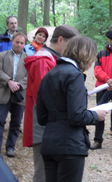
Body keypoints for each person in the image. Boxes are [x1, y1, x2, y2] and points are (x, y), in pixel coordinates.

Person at [37, 35, 108, 182]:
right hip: (70, 145)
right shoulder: (74, 75)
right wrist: (96, 115)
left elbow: (42, 117)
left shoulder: (49, 75)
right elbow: (77, 116)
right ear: (85, 54)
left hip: (49, 142)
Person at [22, 25, 79, 182]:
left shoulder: (52, 59)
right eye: (71, 45)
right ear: (60, 40)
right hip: (43, 127)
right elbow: (44, 98)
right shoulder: (43, 60)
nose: (73, 50)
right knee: (43, 174)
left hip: (50, 126)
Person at [0, 32, 27, 157]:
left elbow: (30, 76)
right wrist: (8, 81)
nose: (19, 45)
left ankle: (10, 147)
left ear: (24, 44)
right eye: (17, 42)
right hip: (4, 92)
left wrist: (19, 84)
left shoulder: (28, 59)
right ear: (12, 41)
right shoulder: (2, 55)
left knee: (16, 123)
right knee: (0, 121)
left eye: (22, 43)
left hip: (19, 94)